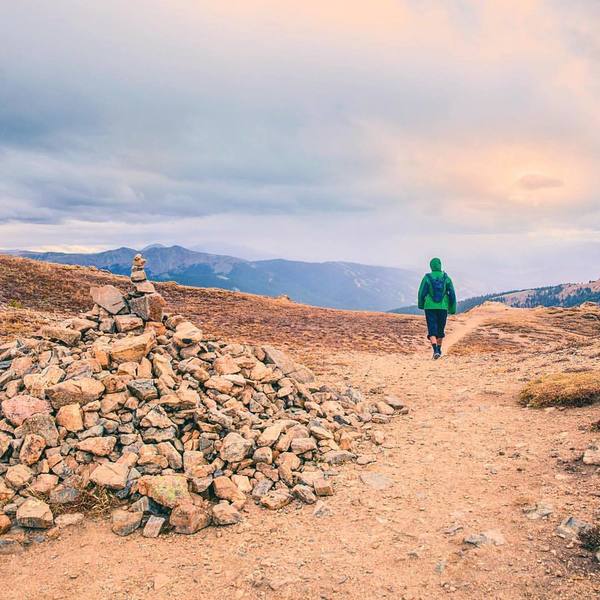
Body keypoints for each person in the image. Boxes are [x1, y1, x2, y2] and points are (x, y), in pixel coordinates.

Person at [417, 257, 456, 359]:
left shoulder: (427, 278)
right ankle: (439, 349)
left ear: (431, 266)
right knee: (440, 328)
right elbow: (452, 294)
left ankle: (435, 350)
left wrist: (421, 304)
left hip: (429, 306)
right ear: (440, 265)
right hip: (443, 307)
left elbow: (421, 293)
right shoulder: (447, 278)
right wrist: (452, 308)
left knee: (432, 328)